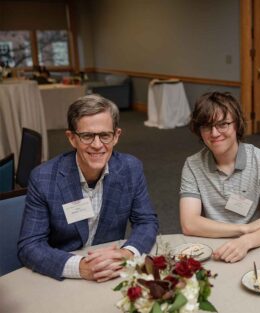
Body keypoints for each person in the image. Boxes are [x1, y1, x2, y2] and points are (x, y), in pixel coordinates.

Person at [17, 94, 159, 282]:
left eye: (105, 135)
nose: (97, 145)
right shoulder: (43, 177)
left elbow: (146, 222)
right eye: (87, 136)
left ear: (116, 136)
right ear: (72, 138)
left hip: (113, 270)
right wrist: (80, 267)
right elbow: (30, 245)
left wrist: (127, 253)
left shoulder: (130, 169)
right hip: (66, 274)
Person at [179, 91, 260, 263]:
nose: (214, 133)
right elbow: (189, 224)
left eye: (223, 124)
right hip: (211, 247)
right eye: (207, 126)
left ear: (237, 124)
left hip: (255, 246)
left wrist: (245, 241)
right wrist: (244, 229)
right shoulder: (193, 165)